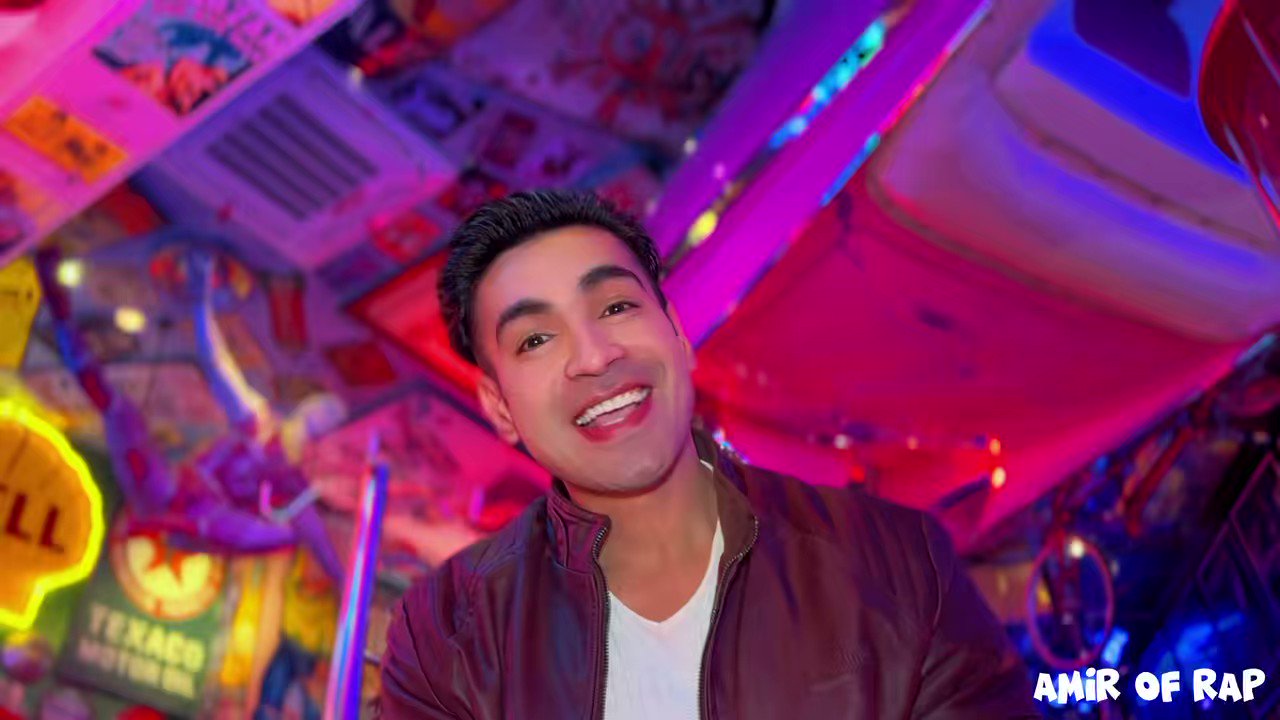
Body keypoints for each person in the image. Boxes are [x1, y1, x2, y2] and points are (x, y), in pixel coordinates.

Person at [378, 190, 1040, 718]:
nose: (595, 356)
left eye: (615, 306)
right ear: (499, 407)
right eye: (535, 341)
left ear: (676, 333)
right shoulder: (448, 641)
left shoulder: (897, 565)